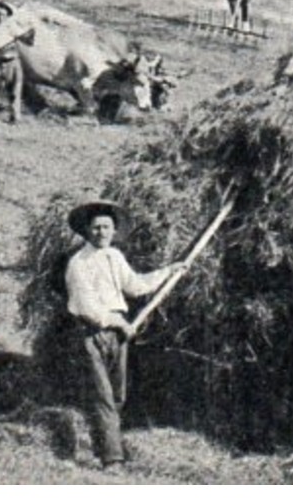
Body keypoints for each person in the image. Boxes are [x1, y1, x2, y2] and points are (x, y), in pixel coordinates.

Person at [63, 200, 186, 469]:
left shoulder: (115, 257)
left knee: (117, 396)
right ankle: (112, 459)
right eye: (96, 228)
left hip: (117, 337)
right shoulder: (78, 264)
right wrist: (117, 322)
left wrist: (169, 271)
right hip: (92, 333)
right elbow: (85, 307)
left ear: (113, 230)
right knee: (103, 395)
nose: (101, 232)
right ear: (86, 230)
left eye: (106, 227)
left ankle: (101, 444)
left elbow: (136, 286)